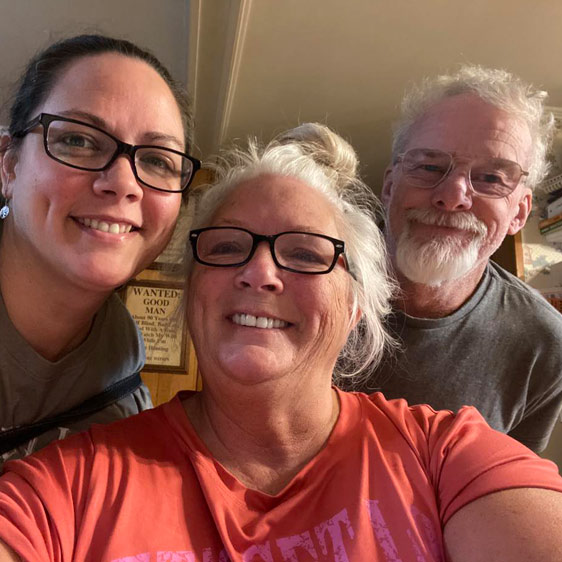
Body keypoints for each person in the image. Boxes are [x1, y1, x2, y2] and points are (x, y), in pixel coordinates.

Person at [1, 123, 562, 562]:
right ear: (193, 291)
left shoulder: (446, 457)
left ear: (356, 306)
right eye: (224, 248)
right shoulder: (69, 489)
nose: (259, 272)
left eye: (306, 254)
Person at [0, 34, 199, 467]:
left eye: (158, 160)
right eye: (79, 140)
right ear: (8, 164)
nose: (124, 183)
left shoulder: (123, 403)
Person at [344, 65, 562, 453]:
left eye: (492, 179)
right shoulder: (305, 270)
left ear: (520, 213)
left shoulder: (545, 346)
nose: (453, 195)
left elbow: (498, 495)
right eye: (429, 166)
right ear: (390, 185)